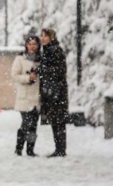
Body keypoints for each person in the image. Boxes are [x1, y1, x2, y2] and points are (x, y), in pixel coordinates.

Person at [39, 28, 69, 157]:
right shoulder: (47, 51)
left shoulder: (55, 50)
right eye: (42, 36)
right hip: (52, 91)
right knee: (55, 120)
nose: (43, 38)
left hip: (57, 92)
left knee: (58, 121)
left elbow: (59, 70)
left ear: (51, 37)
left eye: (45, 36)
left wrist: (44, 70)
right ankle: (59, 148)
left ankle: (60, 149)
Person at [11, 35, 41, 157]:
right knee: (26, 123)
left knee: (33, 125)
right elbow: (14, 75)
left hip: (36, 98)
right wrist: (28, 78)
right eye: (30, 44)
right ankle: (18, 148)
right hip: (24, 97)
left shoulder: (41, 60)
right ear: (26, 45)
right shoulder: (20, 59)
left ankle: (30, 149)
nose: (32, 47)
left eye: (35, 44)